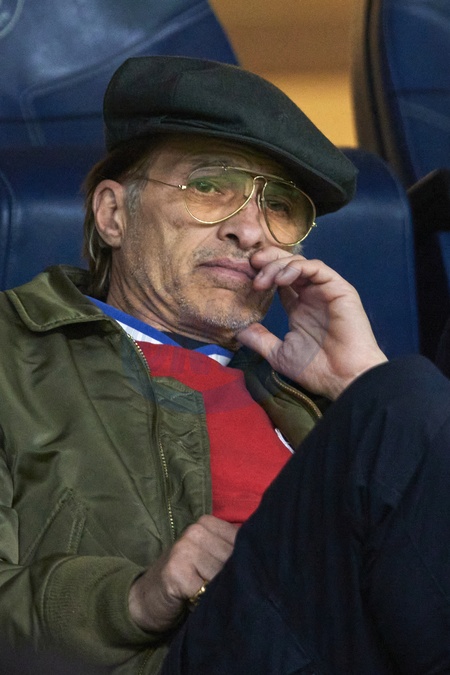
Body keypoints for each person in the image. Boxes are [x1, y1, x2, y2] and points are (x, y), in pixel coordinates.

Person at [0, 55, 448, 674]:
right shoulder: (13, 352)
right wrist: (137, 597)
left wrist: (358, 383)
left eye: (279, 206)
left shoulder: (321, 399)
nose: (250, 230)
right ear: (113, 214)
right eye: (209, 187)